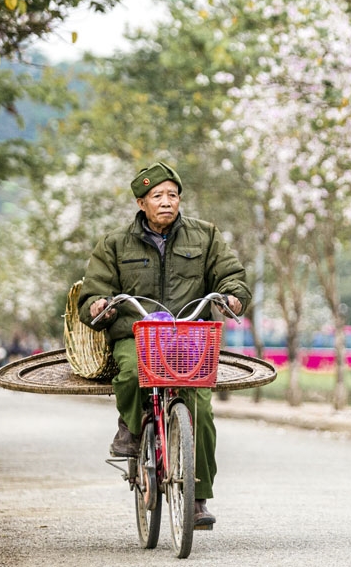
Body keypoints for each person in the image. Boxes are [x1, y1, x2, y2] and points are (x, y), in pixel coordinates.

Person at [79, 161, 252, 528]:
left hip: (189, 336)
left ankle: (197, 499)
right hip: (136, 333)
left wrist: (234, 296)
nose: (166, 202)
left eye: (172, 195)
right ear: (141, 203)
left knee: (201, 409)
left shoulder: (205, 236)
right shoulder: (114, 243)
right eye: (157, 196)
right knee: (128, 374)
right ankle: (131, 425)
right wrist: (97, 304)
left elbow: (231, 274)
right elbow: (94, 289)